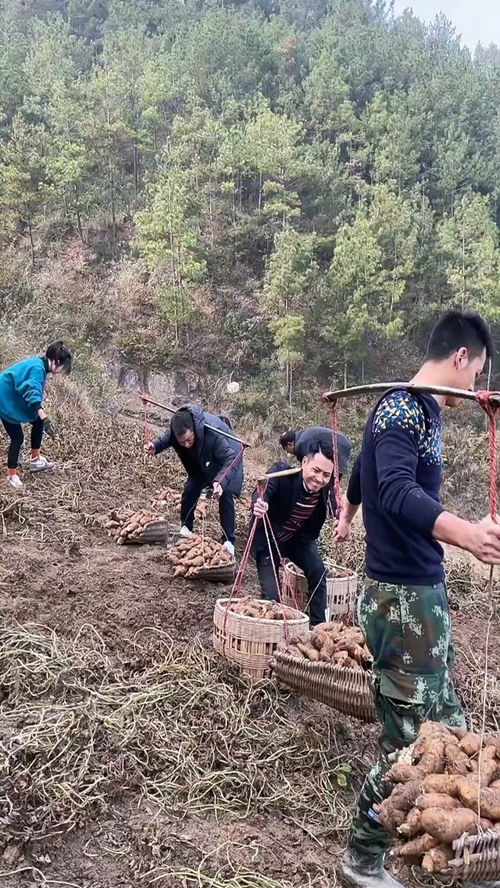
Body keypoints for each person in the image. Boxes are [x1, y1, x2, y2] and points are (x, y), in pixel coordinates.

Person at [334, 310, 500, 888]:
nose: (477, 386)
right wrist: (466, 535)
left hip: (414, 597)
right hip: (402, 601)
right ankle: (362, 854)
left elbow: (363, 471)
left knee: (448, 727)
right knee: (413, 745)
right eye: (478, 371)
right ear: (462, 357)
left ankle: (473, 847)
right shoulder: (404, 408)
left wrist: (348, 512)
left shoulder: (418, 410)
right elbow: (397, 489)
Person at [252, 442, 336, 626]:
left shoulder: (325, 488)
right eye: (316, 470)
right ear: (304, 462)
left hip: (298, 539)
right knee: (272, 597)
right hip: (269, 540)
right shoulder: (281, 473)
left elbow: (334, 505)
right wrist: (260, 503)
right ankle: (271, 631)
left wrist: (339, 519)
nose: (319, 479)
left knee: (318, 573)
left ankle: (318, 626)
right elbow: (263, 491)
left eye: (326, 475)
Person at [145, 405, 243, 556]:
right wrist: (155, 445)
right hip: (202, 460)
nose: (186, 444)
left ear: (194, 429)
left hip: (228, 458)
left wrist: (220, 481)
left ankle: (228, 541)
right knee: (191, 488)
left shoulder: (212, 433)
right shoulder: (178, 427)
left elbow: (231, 458)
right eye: (182, 441)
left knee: (225, 495)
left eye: (189, 439)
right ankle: (186, 528)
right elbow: (168, 437)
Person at [0, 341, 72, 490]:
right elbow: (32, 391)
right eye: (62, 368)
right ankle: (11, 475)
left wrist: (42, 414)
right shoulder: (37, 368)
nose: (61, 372)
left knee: (37, 422)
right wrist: (45, 418)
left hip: (10, 396)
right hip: (4, 400)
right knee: (17, 438)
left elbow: (33, 387)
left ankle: (35, 460)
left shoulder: (40, 365)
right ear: (57, 362)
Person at [280, 426, 352, 477]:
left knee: (331, 482)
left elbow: (308, 466)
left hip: (339, 446)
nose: (288, 452)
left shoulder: (301, 444)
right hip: (342, 442)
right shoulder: (301, 437)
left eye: (287, 450)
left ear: (290, 444)